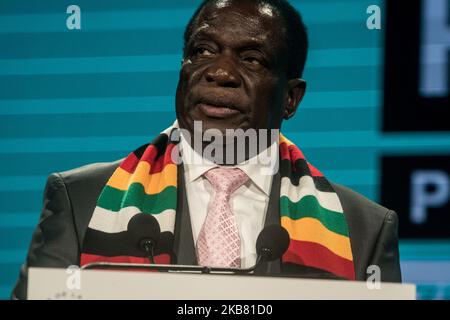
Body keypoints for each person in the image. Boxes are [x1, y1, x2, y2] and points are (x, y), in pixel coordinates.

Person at [12, 0, 401, 300]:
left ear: (291, 98)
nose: (220, 72)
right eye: (203, 51)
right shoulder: (81, 200)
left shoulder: (363, 229)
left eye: (251, 59)